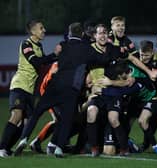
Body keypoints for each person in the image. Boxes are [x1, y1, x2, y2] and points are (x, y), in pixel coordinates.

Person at [14, 22, 115, 157]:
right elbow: (103, 60)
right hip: (71, 89)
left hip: (54, 85)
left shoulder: (62, 45)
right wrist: (114, 50)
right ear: (83, 34)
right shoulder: (87, 48)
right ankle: (59, 148)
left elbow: (53, 58)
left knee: (37, 113)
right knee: (66, 120)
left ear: (69, 33)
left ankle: (24, 138)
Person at [0, 19, 58, 158]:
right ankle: (1, 148)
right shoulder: (26, 44)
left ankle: (7, 148)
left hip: (30, 90)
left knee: (26, 123)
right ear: (33, 31)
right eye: (41, 28)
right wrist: (54, 55)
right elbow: (36, 62)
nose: (44, 30)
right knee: (17, 115)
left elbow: (43, 63)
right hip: (20, 85)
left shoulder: (39, 46)